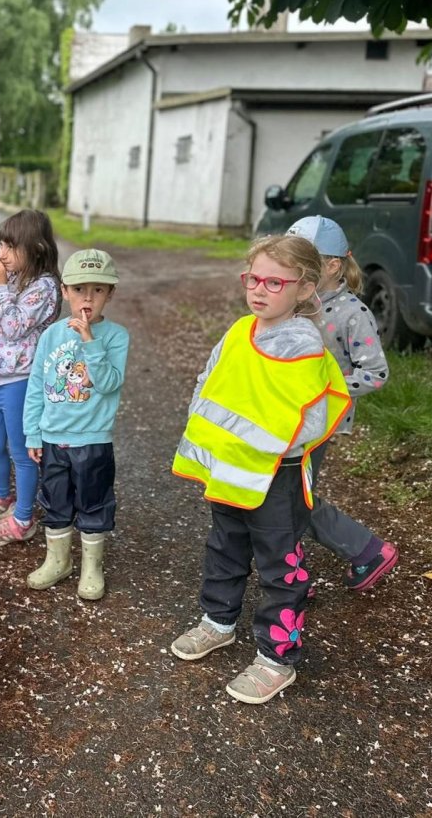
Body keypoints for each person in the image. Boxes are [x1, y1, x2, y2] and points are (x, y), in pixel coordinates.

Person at [170, 235, 351, 705]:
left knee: (280, 567)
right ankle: (218, 621)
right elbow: (208, 383)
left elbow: (309, 419)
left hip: (277, 479)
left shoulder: (304, 346)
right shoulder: (239, 331)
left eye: (274, 282)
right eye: (253, 279)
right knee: (224, 547)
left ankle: (277, 658)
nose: (259, 290)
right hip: (231, 474)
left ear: (304, 288)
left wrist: (257, 444)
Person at [286, 215, 398, 590]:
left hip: (320, 418)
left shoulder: (353, 314)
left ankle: (366, 550)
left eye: (302, 263)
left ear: (332, 266)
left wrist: (327, 388)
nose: (292, 271)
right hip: (283, 412)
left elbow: (376, 373)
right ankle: (290, 569)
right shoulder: (294, 303)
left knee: (292, 495)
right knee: (281, 490)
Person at [23, 249, 129, 600]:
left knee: (93, 502)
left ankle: (91, 567)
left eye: (98, 290)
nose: (88, 298)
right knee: (55, 500)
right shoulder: (51, 335)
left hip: (92, 439)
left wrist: (88, 341)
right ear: (65, 291)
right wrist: (32, 432)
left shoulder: (115, 337)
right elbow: (37, 385)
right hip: (53, 438)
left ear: (110, 294)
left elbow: (109, 383)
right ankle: (59, 561)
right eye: (80, 289)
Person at [0, 209, 61, 546]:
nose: (1, 254)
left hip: (20, 380)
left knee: (21, 451)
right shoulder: (11, 279)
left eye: (10, 246)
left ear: (35, 248)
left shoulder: (44, 287)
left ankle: (23, 517)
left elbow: (12, 326)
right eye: (1, 245)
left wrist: (0, 289)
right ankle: (0, 496)